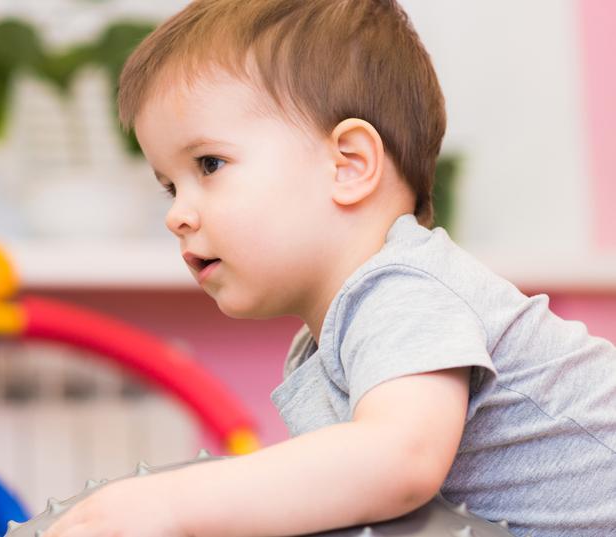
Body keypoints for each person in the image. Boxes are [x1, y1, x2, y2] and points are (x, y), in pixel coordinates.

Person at [43, 1, 616, 535]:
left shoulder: (404, 290)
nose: (177, 215)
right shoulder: (331, 335)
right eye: (170, 186)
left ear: (349, 165)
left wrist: (166, 504)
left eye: (209, 164)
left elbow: (402, 461)